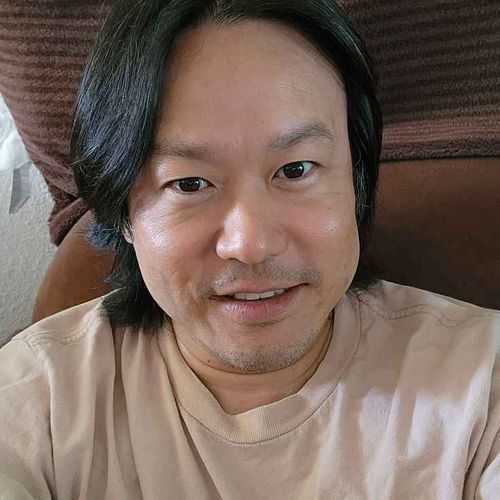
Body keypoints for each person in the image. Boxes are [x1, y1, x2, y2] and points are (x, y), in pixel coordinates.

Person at [0, 0, 499, 498]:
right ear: (122, 211)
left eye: (296, 170)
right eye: (189, 183)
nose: (251, 245)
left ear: (357, 182)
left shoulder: (483, 385)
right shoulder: (36, 400)